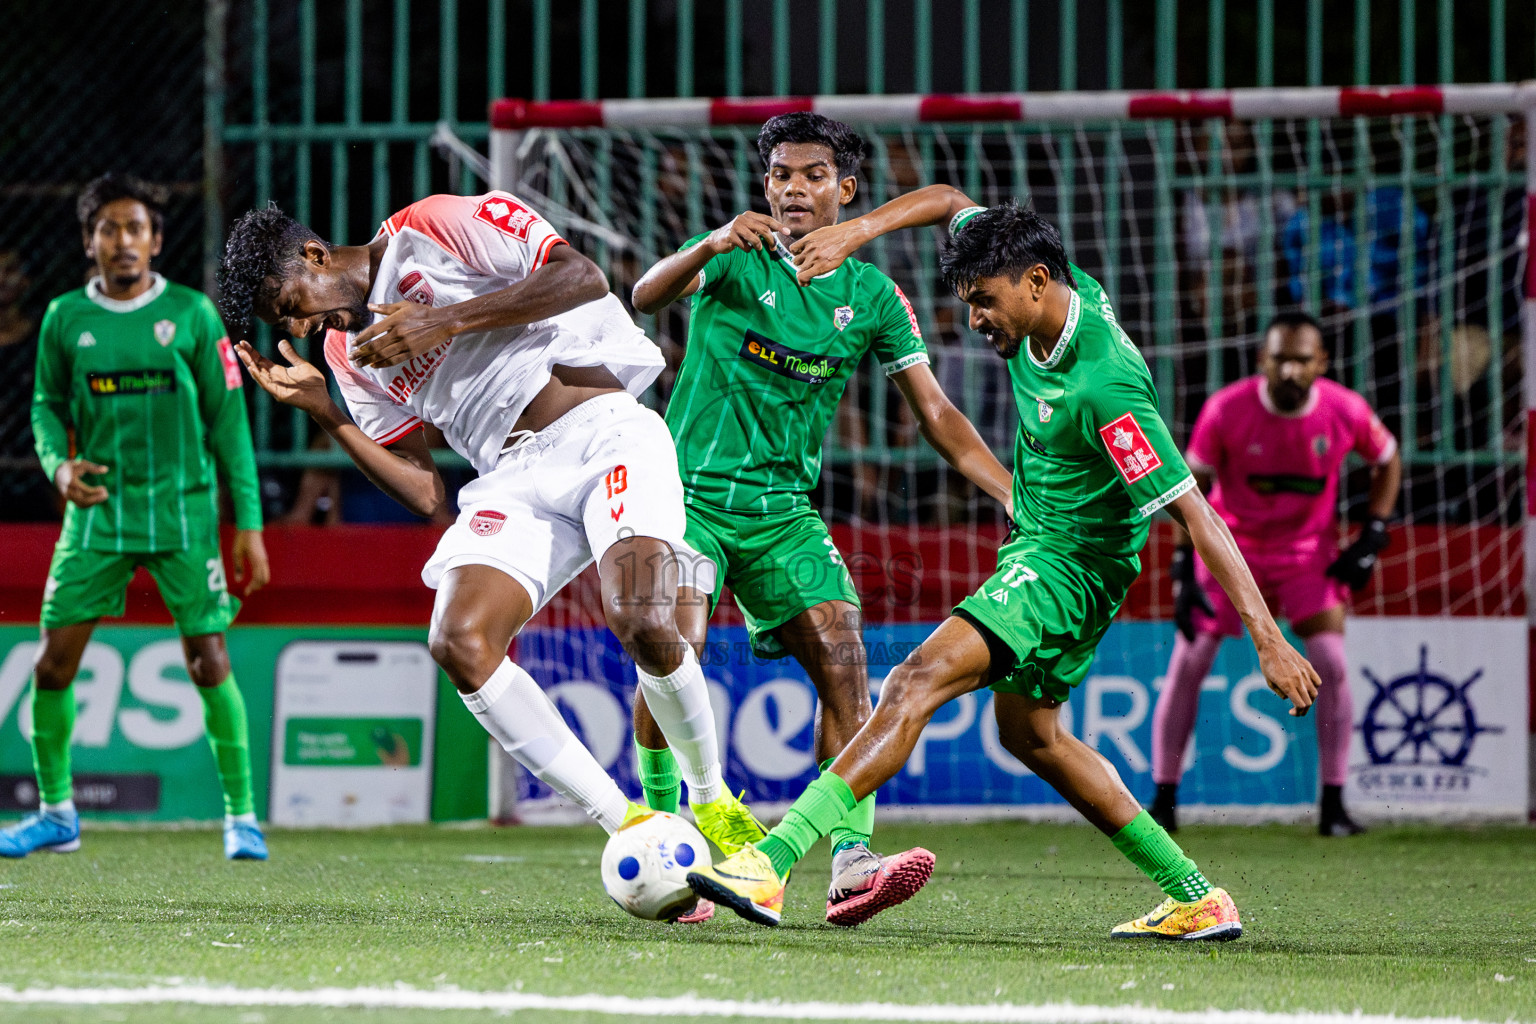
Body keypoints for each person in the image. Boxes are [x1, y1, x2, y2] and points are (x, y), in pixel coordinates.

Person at [686, 202, 1320, 937]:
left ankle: (771, 860)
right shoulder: (1045, 277)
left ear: (1037, 283)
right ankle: (1196, 895)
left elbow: (1196, 516)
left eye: (985, 303)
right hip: (1046, 549)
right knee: (1033, 736)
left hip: (1067, 565)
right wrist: (858, 232)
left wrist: (1266, 638)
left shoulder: (1107, 390)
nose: (976, 320)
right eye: (967, 302)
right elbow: (951, 201)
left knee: (914, 678)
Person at [218, 192, 763, 903]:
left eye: (291, 302)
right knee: (459, 639)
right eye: (281, 322)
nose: (298, 323)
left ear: (316, 256)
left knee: (642, 621)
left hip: (605, 434)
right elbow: (421, 492)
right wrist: (327, 411)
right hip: (511, 480)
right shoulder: (343, 354)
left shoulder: (430, 227)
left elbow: (582, 277)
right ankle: (629, 824)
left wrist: (441, 321)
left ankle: (715, 803)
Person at [629, 113, 1013, 926]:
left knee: (843, 652)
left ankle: (850, 860)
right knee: (674, 646)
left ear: (846, 190)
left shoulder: (873, 296)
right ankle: (667, 827)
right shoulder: (734, 256)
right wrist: (704, 246)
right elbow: (643, 295)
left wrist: (1009, 491)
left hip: (782, 514)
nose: (792, 188)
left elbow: (936, 413)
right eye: (779, 175)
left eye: (811, 175)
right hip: (687, 495)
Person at [4, 174, 271, 861]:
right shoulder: (65, 318)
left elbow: (229, 423)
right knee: (53, 666)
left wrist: (249, 525)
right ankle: (58, 814)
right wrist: (59, 468)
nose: (123, 241)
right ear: (89, 241)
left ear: (155, 239)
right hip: (96, 517)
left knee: (208, 661)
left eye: (136, 228)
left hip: (182, 515)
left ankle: (242, 818)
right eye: (109, 229)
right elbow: (43, 407)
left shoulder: (191, 315)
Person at [1151, 311, 1400, 837]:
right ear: (1262, 360)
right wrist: (1181, 565)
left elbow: (1388, 458)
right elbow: (1186, 487)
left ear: (1321, 364)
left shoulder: (1345, 410)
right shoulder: (1226, 410)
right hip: (1228, 550)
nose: (1290, 370)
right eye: (1280, 359)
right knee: (1191, 657)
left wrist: (1373, 534)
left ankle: (1333, 804)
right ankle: (1163, 800)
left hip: (1307, 554)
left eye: (1302, 360)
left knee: (1331, 663)